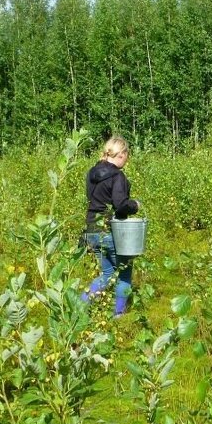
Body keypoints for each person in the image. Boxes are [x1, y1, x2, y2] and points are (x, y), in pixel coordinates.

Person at [83, 135, 140, 316]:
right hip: (110, 230)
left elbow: (92, 199)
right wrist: (135, 205)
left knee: (107, 275)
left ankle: (79, 307)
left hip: (92, 229)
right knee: (123, 275)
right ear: (121, 154)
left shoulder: (92, 173)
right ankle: (119, 316)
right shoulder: (117, 176)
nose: (126, 160)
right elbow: (120, 204)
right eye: (126, 156)